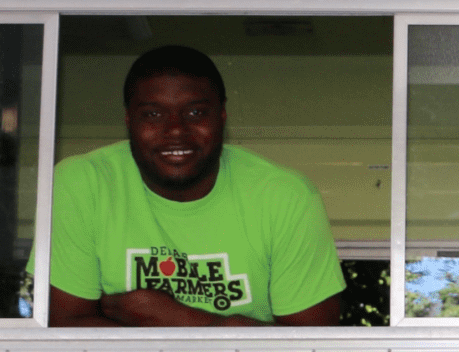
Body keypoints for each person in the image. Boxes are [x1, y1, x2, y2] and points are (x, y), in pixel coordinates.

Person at [43, 45, 345, 327]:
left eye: (196, 113)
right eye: (153, 114)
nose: (175, 129)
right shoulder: (82, 184)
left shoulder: (284, 196)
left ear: (222, 116)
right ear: (128, 119)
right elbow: (66, 331)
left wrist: (176, 318)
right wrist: (224, 332)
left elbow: (310, 350)